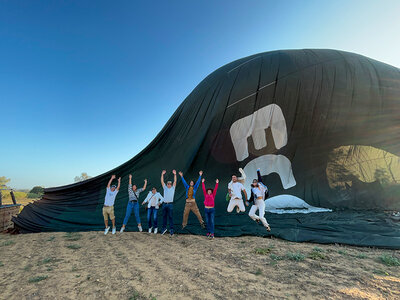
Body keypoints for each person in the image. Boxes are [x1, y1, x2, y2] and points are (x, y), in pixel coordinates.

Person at [160, 170, 177, 236]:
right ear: (167, 184)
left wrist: (175, 174)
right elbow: (162, 181)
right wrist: (162, 174)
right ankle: (164, 229)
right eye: (168, 184)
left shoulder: (173, 188)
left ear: (171, 184)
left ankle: (171, 230)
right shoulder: (165, 188)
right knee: (164, 217)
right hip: (164, 204)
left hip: (170, 204)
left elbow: (175, 181)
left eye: (170, 184)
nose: (169, 185)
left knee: (170, 217)